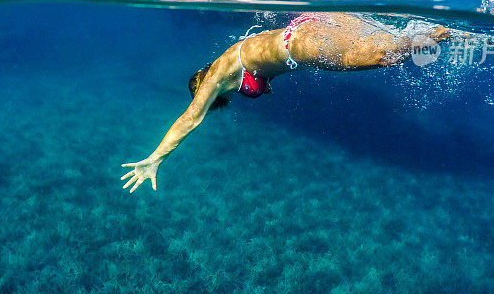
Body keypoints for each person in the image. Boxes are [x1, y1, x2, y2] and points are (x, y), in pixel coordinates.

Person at [121, 13, 450, 193]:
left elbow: (190, 118)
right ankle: (449, 33)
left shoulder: (218, 75)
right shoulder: (228, 63)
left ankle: (443, 33)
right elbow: (261, 66)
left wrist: (155, 158)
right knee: (390, 37)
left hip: (301, 44)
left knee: (384, 55)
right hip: (305, 26)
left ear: (204, 85)